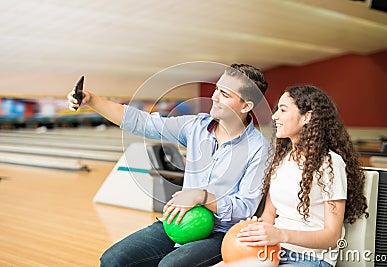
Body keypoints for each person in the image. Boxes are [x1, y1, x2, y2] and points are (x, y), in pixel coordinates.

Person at [67, 64, 270, 266]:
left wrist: (202, 196)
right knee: (113, 259)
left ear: (246, 106)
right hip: (179, 220)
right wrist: (91, 100)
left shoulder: (259, 148)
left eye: (224, 94)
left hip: (221, 234)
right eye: (216, 89)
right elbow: (143, 122)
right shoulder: (195, 127)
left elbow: (245, 208)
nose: (214, 97)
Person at [236, 85, 368, 266]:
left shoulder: (330, 163)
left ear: (307, 117)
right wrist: (258, 229)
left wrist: (280, 234)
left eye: (282, 110)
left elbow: (332, 236)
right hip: (275, 250)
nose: (274, 116)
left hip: (311, 258)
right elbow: (269, 214)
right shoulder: (281, 159)